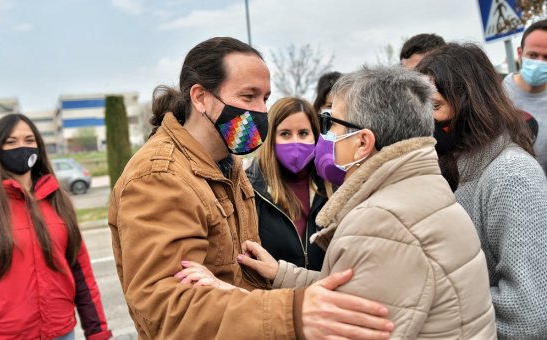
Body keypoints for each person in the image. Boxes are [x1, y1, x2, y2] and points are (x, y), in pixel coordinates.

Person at [178, 65, 497, 339]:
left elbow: (344, 325)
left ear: (362, 142)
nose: (324, 136)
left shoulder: (383, 220)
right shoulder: (423, 192)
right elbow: (360, 290)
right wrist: (281, 274)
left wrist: (235, 298)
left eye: (332, 124)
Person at [108, 37, 394, 339]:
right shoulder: (160, 176)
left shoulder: (227, 165)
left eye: (265, 99)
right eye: (248, 97)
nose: (260, 111)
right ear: (201, 97)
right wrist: (290, 313)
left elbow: (239, 278)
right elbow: (168, 310)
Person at [416, 42, 547, 339]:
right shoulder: (452, 167)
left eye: (434, 106)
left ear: (470, 102)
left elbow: (530, 314)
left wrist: (427, 309)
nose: (424, 120)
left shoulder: (512, 175)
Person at [0, 114, 112, 339]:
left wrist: (98, 332)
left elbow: (81, 273)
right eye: (11, 142)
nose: (22, 147)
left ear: (39, 146)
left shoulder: (58, 200)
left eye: (29, 140)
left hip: (61, 332)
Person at [246, 97, 326, 271]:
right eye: (285, 134)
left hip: (324, 294)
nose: (295, 142)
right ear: (271, 136)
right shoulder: (250, 188)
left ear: (316, 135)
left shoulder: (331, 186)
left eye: (303, 133)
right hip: (272, 297)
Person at [502, 19, 547, 173]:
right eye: (533, 55)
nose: (540, 62)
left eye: (546, 57)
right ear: (520, 53)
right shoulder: (497, 94)